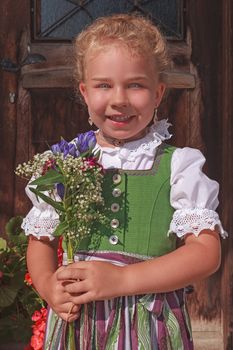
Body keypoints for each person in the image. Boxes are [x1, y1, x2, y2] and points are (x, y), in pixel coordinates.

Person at [22, 14, 226, 349]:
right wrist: (48, 286)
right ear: (85, 93)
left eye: (136, 85)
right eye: (104, 85)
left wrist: (123, 278)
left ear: (158, 93)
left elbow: (206, 253)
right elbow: (41, 240)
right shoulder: (61, 164)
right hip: (80, 326)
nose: (119, 99)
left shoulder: (178, 165)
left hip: (150, 324)